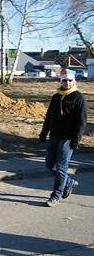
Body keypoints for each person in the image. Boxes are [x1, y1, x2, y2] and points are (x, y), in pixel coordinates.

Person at [39, 68, 87, 207]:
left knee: (61, 168)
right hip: (54, 137)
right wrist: (43, 134)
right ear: (61, 81)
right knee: (49, 165)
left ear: (74, 81)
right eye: (64, 80)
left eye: (70, 80)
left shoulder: (79, 98)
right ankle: (69, 182)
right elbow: (49, 117)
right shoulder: (56, 96)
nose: (67, 83)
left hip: (67, 139)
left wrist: (76, 140)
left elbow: (81, 122)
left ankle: (55, 196)